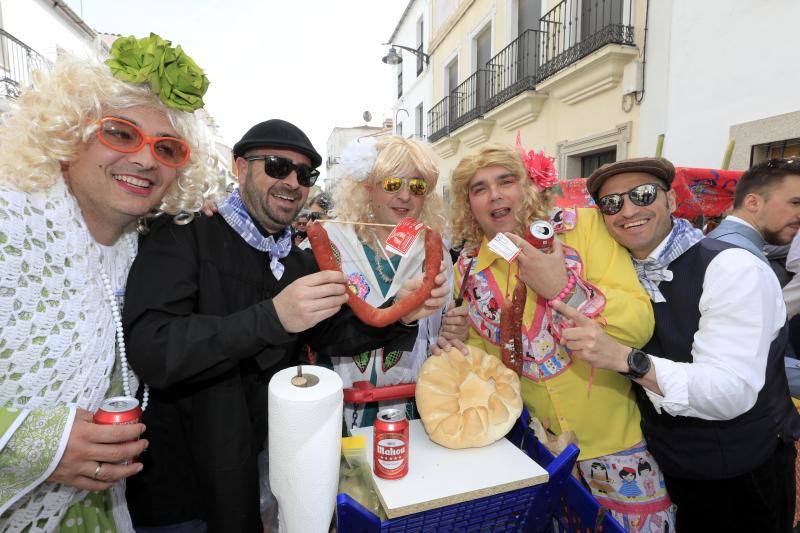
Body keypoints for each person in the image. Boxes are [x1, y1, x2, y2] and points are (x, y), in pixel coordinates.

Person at [122, 120, 449, 531]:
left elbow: (334, 333)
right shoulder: (185, 232)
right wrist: (274, 317)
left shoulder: (298, 261)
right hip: (183, 486)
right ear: (240, 167)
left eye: (305, 173)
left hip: (262, 467)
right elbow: (154, 348)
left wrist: (401, 314)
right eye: (277, 166)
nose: (292, 181)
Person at [0, 34, 215, 530]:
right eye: (120, 133)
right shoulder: (12, 226)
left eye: (167, 147)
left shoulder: (143, 250)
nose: (145, 160)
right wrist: (34, 442)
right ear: (70, 133)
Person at [556, 156, 800, 531]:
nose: (628, 210)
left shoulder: (731, 268)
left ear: (670, 201)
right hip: (668, 469)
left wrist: (626, 359)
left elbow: (728, 390)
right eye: (612, 203)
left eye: (642, 194)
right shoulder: (613, 275)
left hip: (740, 473)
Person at [448, 145, 673, 531]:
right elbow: (485, 366)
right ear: (469, 206)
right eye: (479, 188)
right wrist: (453, 345)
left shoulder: (582, 229)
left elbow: (639, 326)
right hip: (535, 448)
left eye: (507, 181)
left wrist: (563, 288)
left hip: (615, 444)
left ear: (530, 187)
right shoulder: (468, 270)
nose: (496, 195)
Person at [323, 136, 458, 429]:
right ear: (368, 187)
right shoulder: (334, 242)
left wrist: (456, 328)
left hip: (414, 410)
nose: (406, 196)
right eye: (393, 184)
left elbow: (444, 326)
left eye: (418, 186)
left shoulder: (437, 253)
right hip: (340, 411)